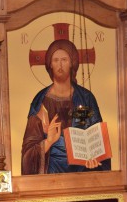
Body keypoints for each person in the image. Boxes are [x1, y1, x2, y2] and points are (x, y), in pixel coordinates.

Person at [21, 39, 111, 174]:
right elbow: (28, 152)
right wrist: (49, 141)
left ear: (72, 63)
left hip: (82, 172)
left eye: (64, 60)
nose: (60, 65)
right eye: (55, 60)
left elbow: (97, 138)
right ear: (50, 64)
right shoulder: (40, 101)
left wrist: (95, 158)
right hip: (51, 174)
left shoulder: (85, 98)